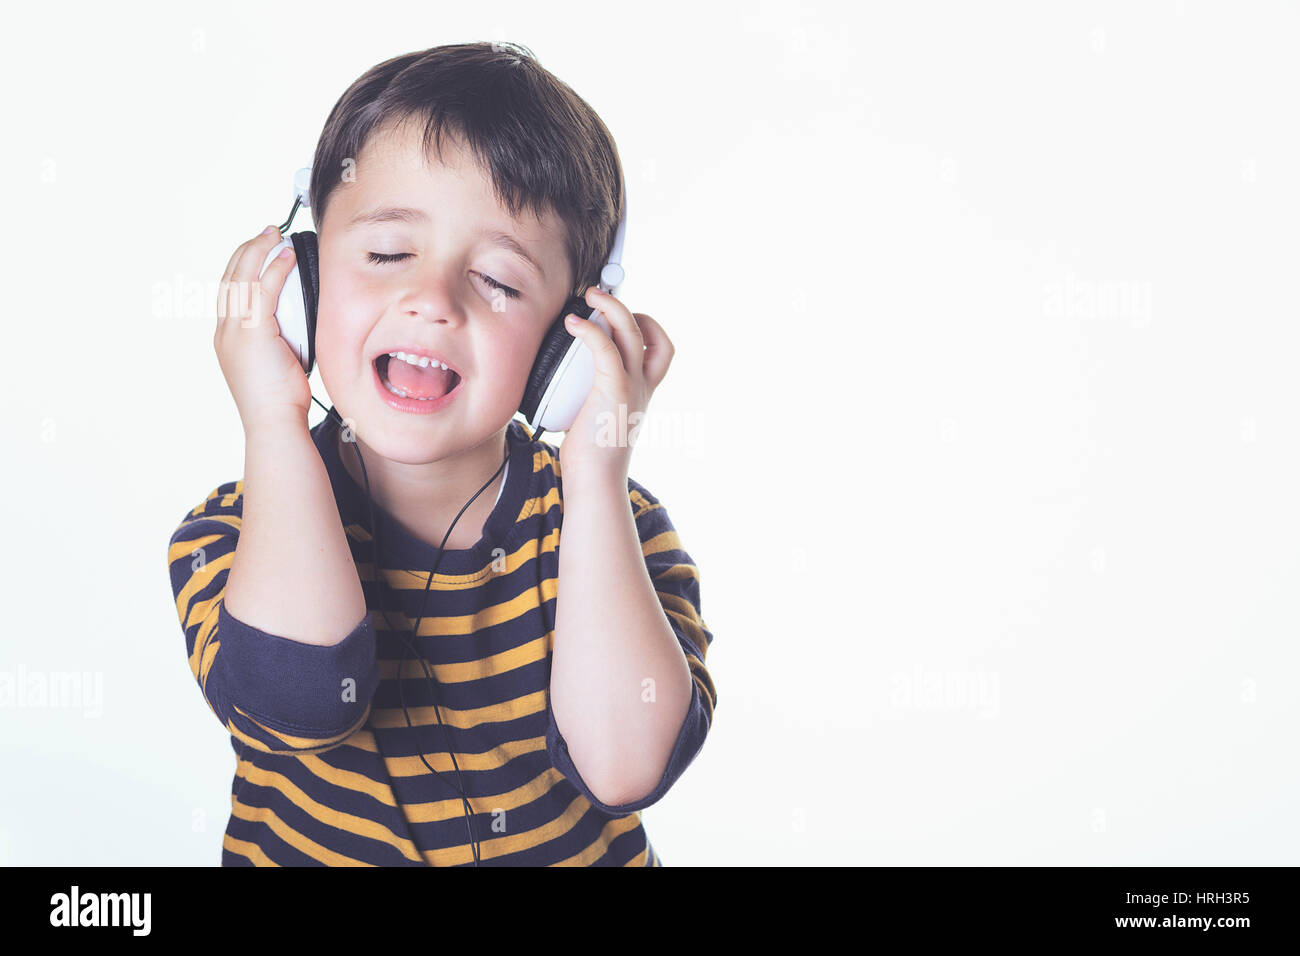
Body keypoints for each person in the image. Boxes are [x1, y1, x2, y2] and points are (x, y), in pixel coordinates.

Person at [165, 41, 716, 866]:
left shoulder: (620, 535)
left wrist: (597, 471)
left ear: (566, 351)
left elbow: (627, 769)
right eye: (388, 254)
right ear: (304, 281)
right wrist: (270, 423)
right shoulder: (230, 533)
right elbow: (302, 703)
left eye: (497, 279)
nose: (431, 301)